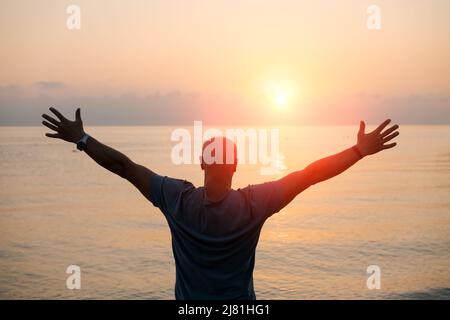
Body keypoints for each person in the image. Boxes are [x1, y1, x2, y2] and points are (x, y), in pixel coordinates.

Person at [41, 107, 399, 299]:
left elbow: (124, 167)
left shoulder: (176, 199)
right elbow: (310, 174)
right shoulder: (255, 204)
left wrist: (83, 139)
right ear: (234, 165)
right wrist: (357, 152)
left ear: (201, 163)